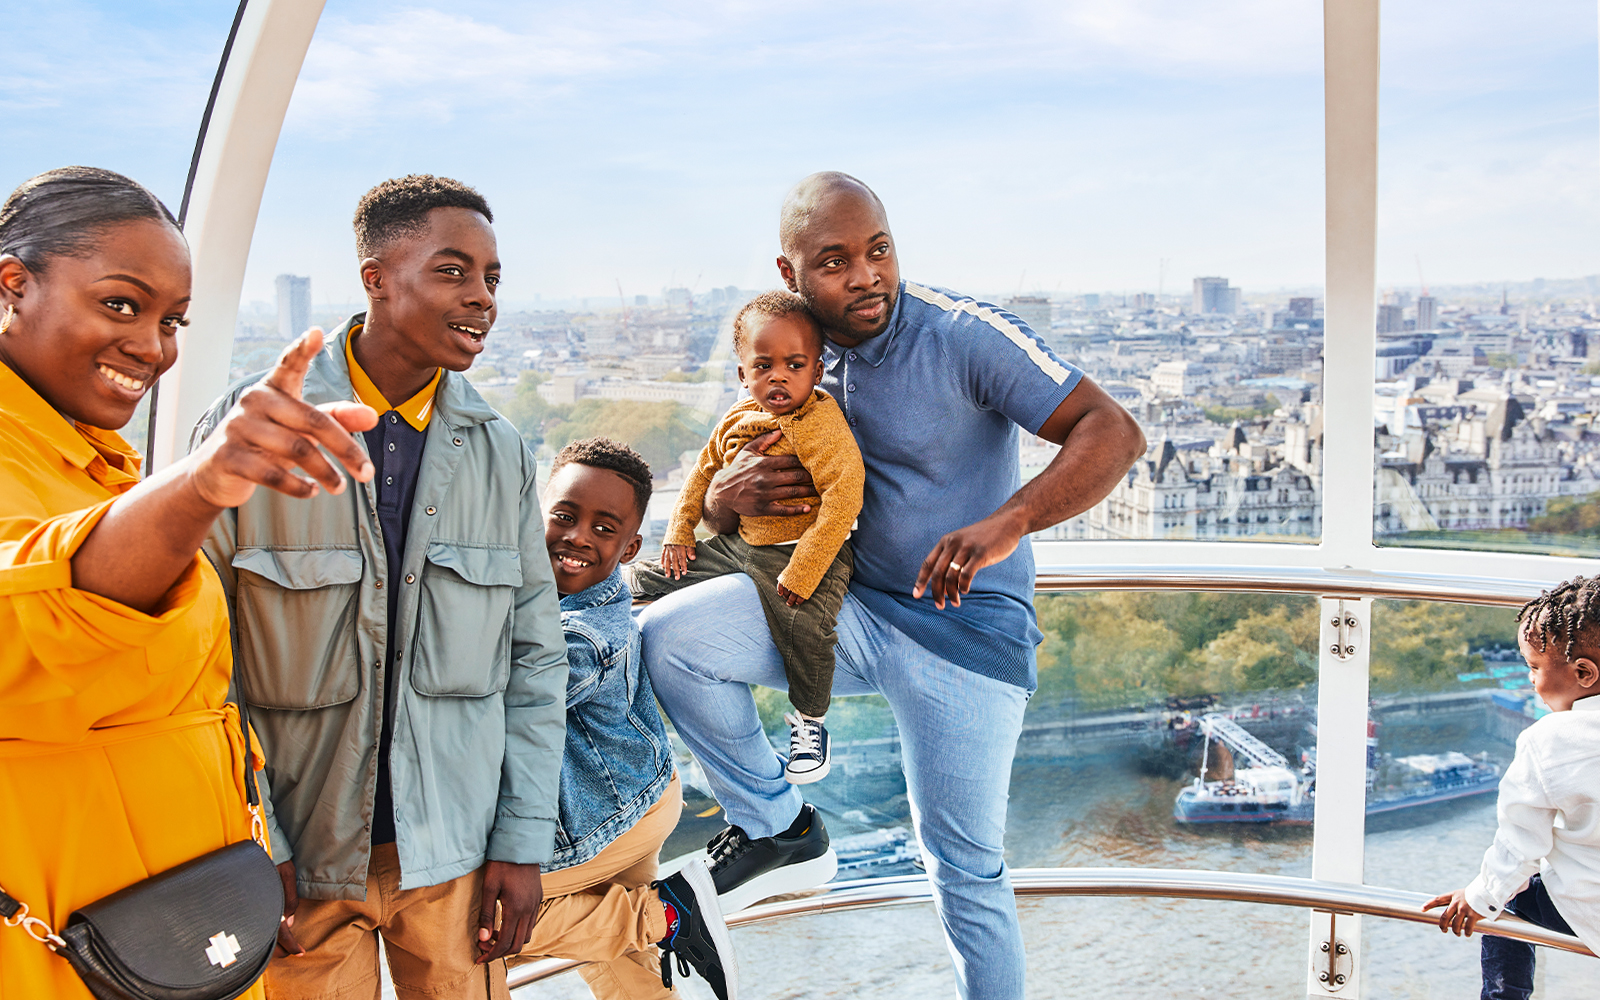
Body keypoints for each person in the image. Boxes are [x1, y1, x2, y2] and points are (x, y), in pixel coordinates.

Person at [638, 171, 1145, 998]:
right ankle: (777, 828)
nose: (866, 274)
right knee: (670, 640)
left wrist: (1008, 522)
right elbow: (726, 475)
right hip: (847, 610)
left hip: (966, 634)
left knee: (964, 871)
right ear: (789, 272)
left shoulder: (961, 334)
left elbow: (1115, 432)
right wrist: (726, 501)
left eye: (879, 250)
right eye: (835, 261)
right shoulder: (791, 352)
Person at [0, 166, 377, 999]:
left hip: (172, 924)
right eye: (122, 304)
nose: (154, 347)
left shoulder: (95, 466)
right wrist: (203, 484)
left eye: (173, 321)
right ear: (14, 286)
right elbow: (43, 609)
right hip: (60, 942)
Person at [193, 175, 568, 1000]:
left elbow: (536, 659)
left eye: (492, 278)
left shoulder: (500, 453)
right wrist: (259, 840)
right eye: (453, 272)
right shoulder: (250, 433)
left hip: (456, 862)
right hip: (301, 861)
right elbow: (201, 670)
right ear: (375, 278)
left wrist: (522, 841)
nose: (482, 298)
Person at [510, 437, 739, 1000]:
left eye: (604, 529)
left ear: (632, 546)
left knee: (475, 921)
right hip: (638, 797)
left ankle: (670, 914)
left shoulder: (583, 636)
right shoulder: (567, 595)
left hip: (605, 821)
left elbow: (501, 706)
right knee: (627, 977)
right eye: (564, 516)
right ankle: (661, 920)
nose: (578, 536)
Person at [632, 292, 864, 783]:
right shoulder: (739, 417)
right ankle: (619, 582)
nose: (777, 376)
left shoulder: (820, 424)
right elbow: (701, 475)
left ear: (817, 371)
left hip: (806, 553)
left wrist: (804, 569)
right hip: (746, 546)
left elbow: (845, 500)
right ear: (743, 375)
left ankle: (811, 723)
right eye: (763, 366)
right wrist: (678, 534)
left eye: (793, 364)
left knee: (807, 631)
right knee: (667, 573)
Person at [1423, 576, 1600, 1000]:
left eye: (1535, 668)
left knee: (1510, 903)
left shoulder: (1549, 739)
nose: (1531, 683)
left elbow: (1521, 842)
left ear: (1583, 673)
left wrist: (1481, 894)